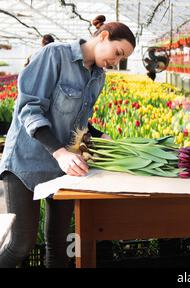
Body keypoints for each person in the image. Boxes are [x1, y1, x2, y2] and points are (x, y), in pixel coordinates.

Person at [0, 15, 135, 268]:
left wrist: (100, 136)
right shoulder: (55, 55)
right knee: (21, 243)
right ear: (103, 36)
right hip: (25, 162)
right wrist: (60, 152)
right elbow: (29, 109)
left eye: (121, 59)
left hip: (64, 168)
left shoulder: (98, 77)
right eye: (117, 53)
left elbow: (79, 121)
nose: (116, 62)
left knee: (58, 244)